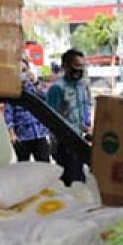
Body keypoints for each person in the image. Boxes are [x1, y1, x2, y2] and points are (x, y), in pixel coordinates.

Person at [45, 49, 92, 185]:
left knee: (80, 178)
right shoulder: (57, 88)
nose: (79, 70)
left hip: (79, 139)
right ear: (65, 66)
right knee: (69, 179)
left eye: (82, 67)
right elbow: (51, 118)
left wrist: (87, 127)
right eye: (76, 67)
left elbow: (83, 109)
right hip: (64, 141)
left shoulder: (81, 86)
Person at [4, 57, 52, 162]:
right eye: (19, 71)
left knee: (44, 165)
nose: (22, 74)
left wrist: (35, 81)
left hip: (39, 134)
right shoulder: (12, 92)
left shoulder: (34, 88)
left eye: (25, 70)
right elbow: (8, 115)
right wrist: (12, 134)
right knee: (23, 169)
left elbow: (47, 97)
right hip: (22, 137)